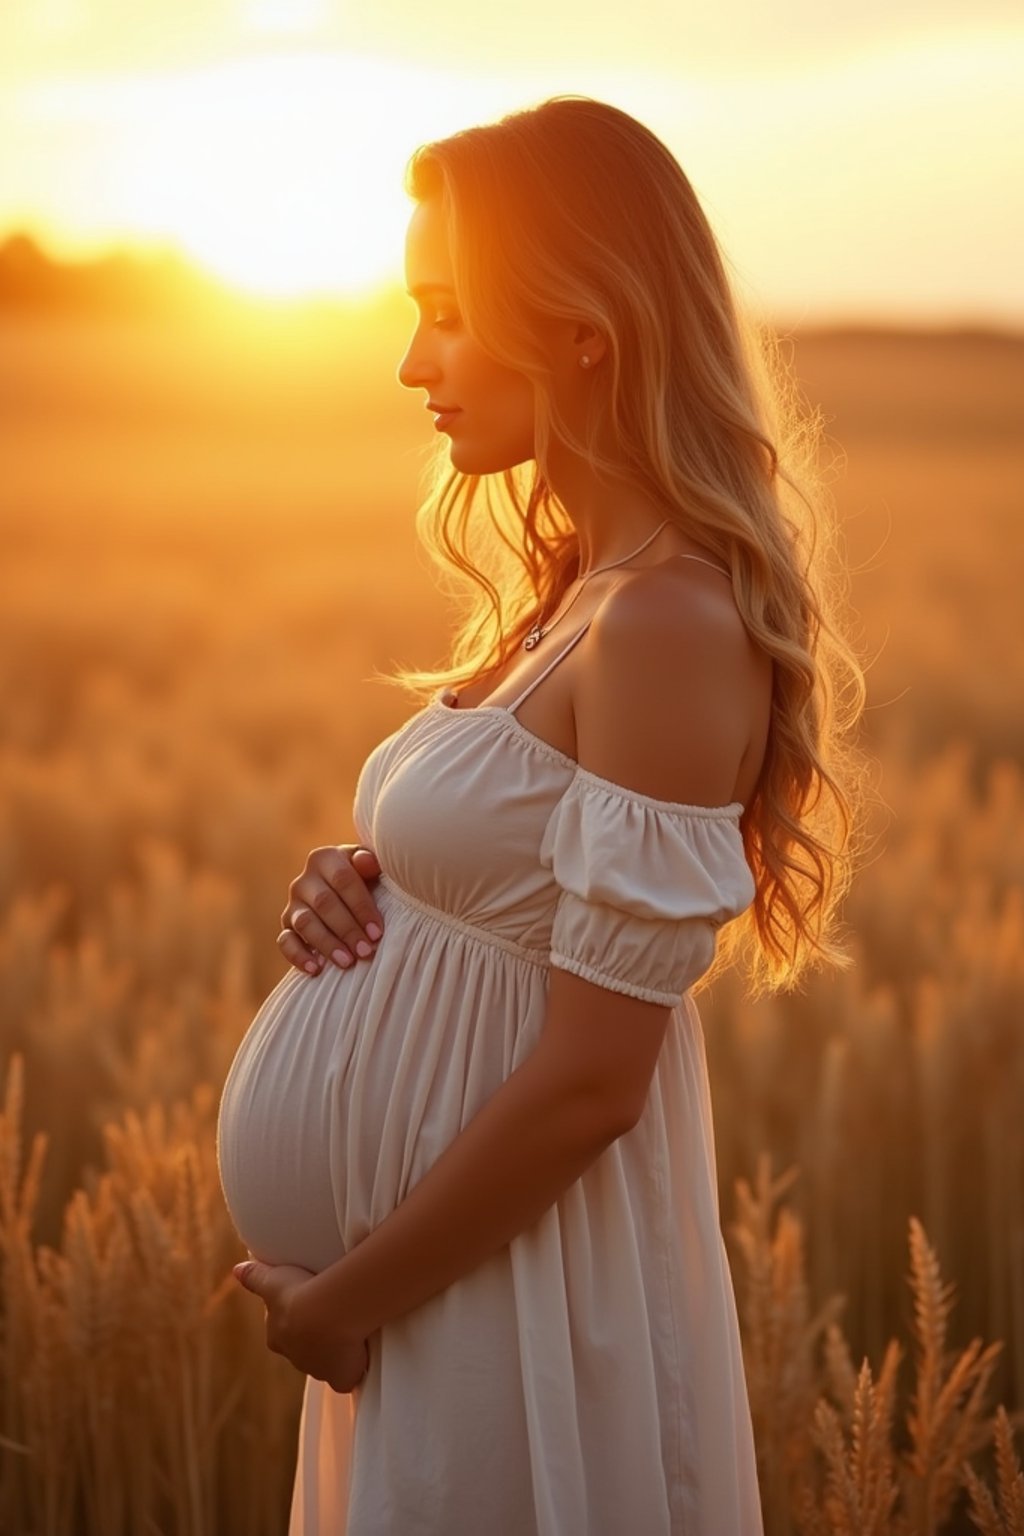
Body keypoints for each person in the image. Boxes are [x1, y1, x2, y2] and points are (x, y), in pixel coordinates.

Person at [217, 94, 863, 1535]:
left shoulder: (670, 621)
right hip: (439, 1280)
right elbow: (507, 895)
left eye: (449, 312)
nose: (411, 363)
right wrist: (365, 881)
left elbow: (593, 1080)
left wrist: (343, 1305)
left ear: (585, 320)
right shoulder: (575, 598)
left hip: (512, 1295)